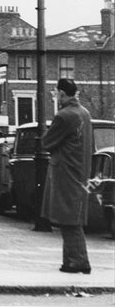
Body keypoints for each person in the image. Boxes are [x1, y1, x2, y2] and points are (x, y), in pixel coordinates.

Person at [41, 78, 94, 274]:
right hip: (81, 171)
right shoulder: (84, 113)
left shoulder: (64, 116)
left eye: (57, 94)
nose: (56, 97)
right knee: (72, 216)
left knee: (69, 218)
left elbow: (46, 142)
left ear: (62, 94)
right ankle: (70, 260)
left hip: (65, 171)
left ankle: (79, 261)